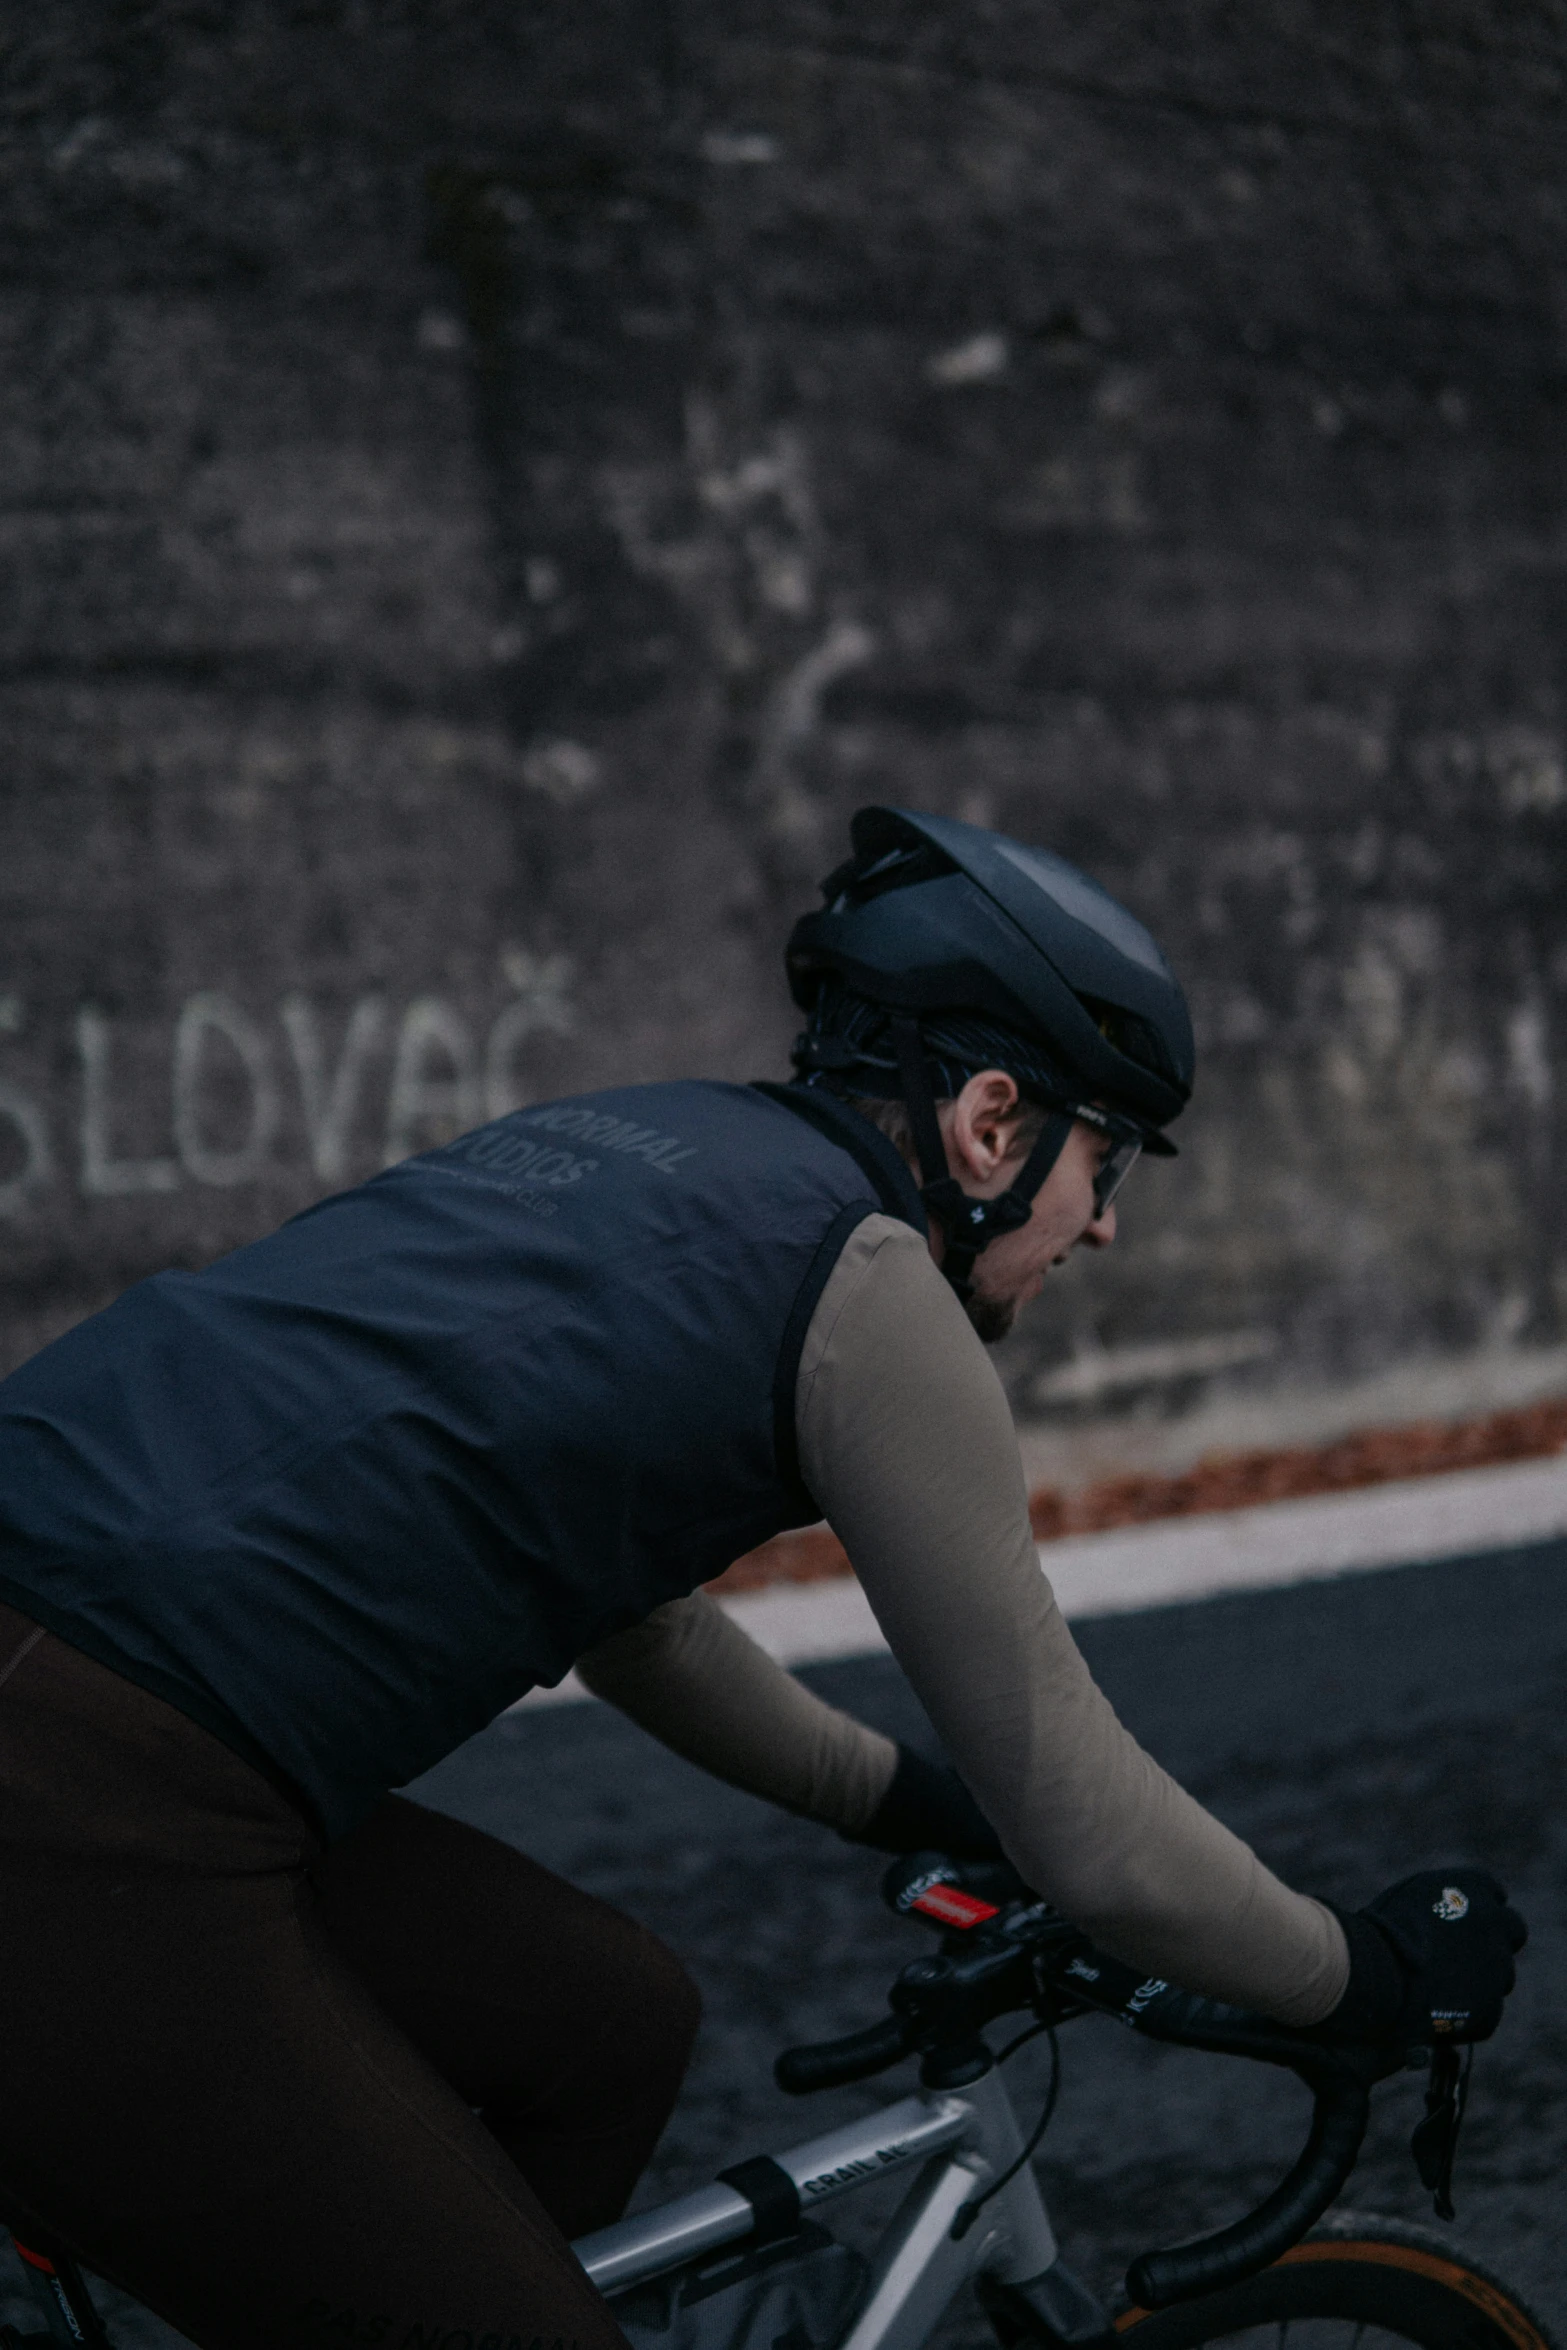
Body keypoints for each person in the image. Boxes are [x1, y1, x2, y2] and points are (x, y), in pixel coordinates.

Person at [0, 806, 1524, 2350]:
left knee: (603, 2024)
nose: (1107, 1219)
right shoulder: (864, 1286)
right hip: (95, 1808)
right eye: (1103, 1152)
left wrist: (908, 1798)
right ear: (992, 1123)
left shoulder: (639, 1140)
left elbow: (640, 1621)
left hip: (106, 1733)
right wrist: (1362, 1979)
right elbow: (1092, 1832)